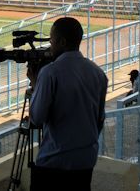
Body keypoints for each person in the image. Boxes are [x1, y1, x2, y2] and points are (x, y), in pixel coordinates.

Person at [28, 17, 108, 191]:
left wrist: (35, 86)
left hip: (53, 164)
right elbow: (99, 120)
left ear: (62, 42)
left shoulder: (50, 73)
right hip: (85, 163)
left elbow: (36, 118)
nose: (50, 46)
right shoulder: (98, 73)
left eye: (52, 40)